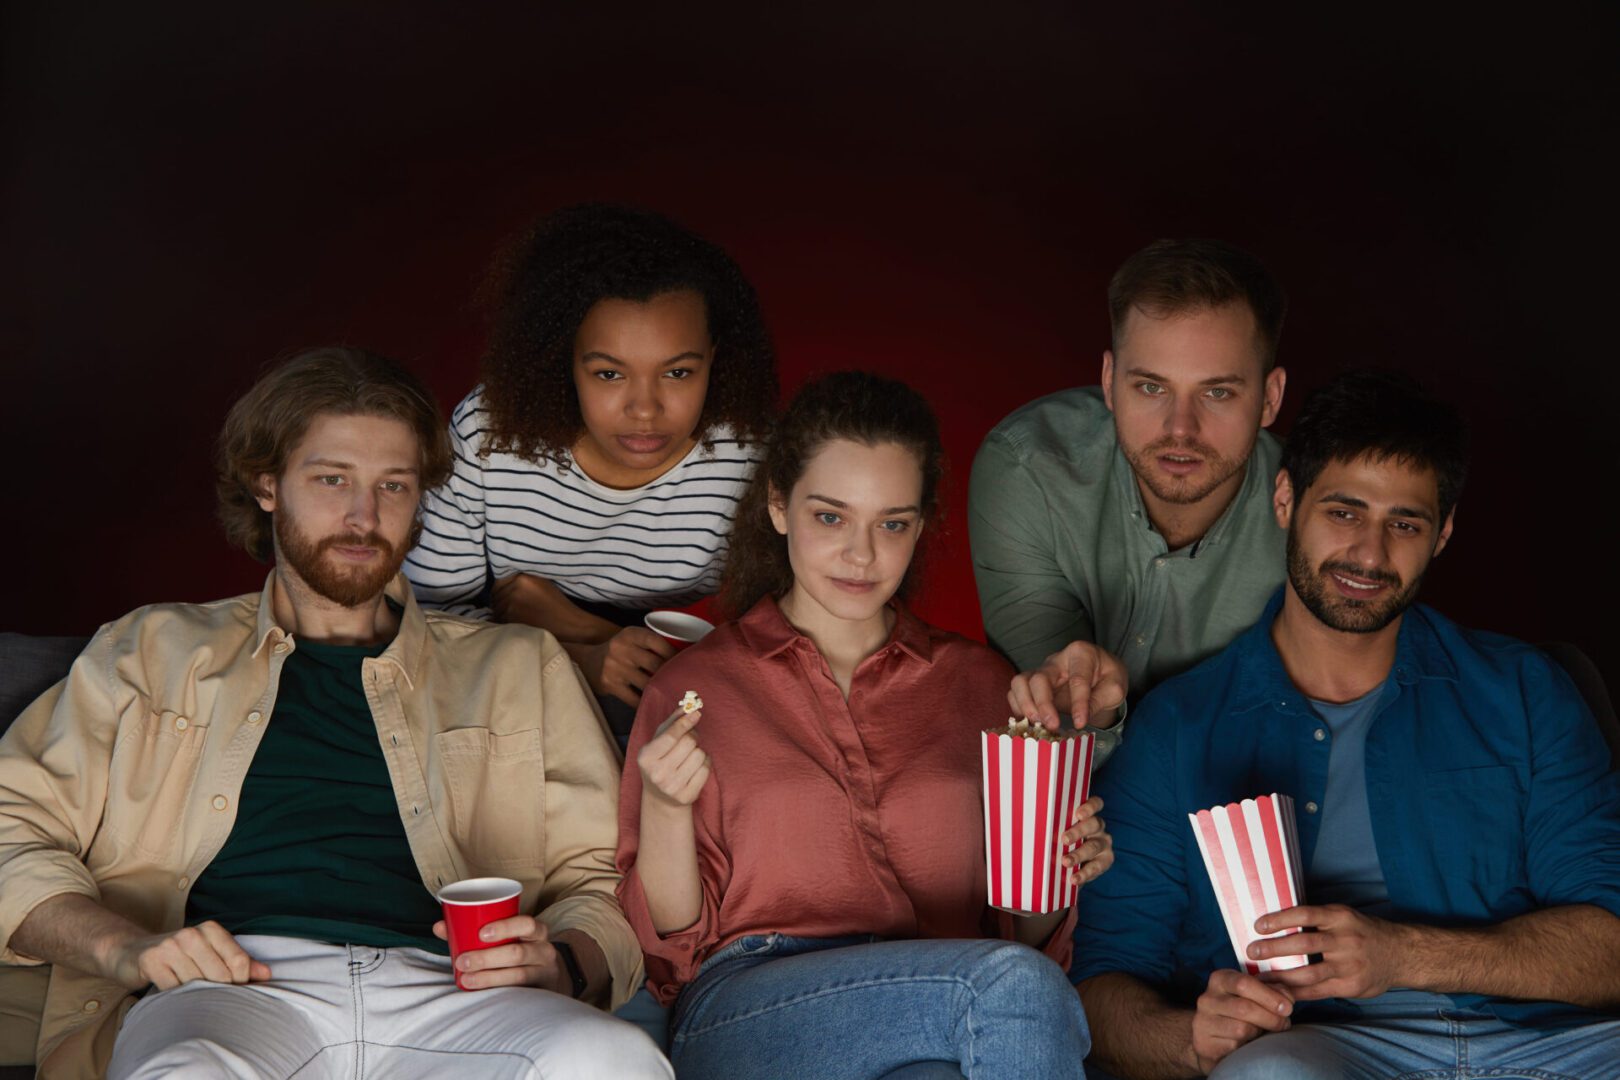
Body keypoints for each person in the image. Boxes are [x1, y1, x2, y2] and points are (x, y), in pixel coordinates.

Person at [0, 348, 670, 1078]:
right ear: (267, 484)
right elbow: (10, 827)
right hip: (226, 990)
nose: (363, 516)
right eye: (331, 480)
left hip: (458, 994)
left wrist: (567, 965)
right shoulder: (147, 651)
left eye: (394, 485)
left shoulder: (518, 666)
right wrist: (121, 946)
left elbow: (603, 876)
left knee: (611, 1057)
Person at [1071, 370, 1620, 1078]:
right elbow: (1103, 987)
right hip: (1322, 1052)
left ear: (1443, 533)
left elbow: (1609, 944)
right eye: (1344, 511)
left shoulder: (1525, 691)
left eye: (1405, 523)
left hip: (1553, 1046)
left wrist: (1402, 955)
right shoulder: (1178, 725)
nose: (1369, 552)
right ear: (1285, 500)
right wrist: (1190, 1039)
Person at [616, 371, 1109, 1080]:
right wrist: (665, 808)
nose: (862, 554)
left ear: (920, 526)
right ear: (779, 507)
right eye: (830, 517)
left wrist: (1058, 871)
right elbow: (669, 953)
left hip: (946, 987)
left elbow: (1021, 934)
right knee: (1014, 985)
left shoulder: (980, 685)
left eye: (892, 524)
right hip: (749, 1011)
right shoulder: (695, 689)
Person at [404, 204, 778, 738]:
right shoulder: (490, 434)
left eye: (678, 372)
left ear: (714, 360)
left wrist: (573, 622)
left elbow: (783, 654)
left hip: (637, 667)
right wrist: (580, 657)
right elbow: (426, 627)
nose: (644, 408)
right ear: (566, 363)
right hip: (492, 681)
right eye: (608, 373)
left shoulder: (751, 457)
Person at [971, 239, 1288, 759]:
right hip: (1071, 823)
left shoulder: (1316, 521)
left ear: (1270, 398)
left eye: (1218, 392)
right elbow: (1050, 739)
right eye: (1150, 388)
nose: (1180, 429)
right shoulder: (1029, 470)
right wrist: (1095, 712)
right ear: (1109, 380)